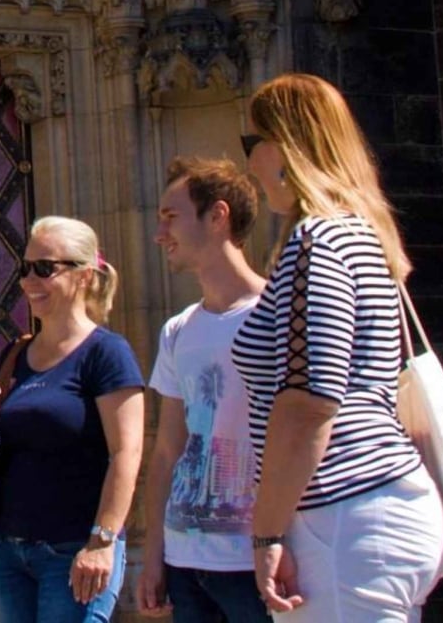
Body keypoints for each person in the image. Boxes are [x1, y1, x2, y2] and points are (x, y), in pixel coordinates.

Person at [233, 73, 443, 621]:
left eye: (252, 145)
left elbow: (309, 403)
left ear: (287, 147)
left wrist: (267, 532)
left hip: (341, 511)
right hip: (366, 508)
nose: (250, 166)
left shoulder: (317, 240)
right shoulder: (357, 233)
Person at [0, 216, 144, 623]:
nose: (29, 280)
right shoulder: (15, 354)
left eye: (44, 268)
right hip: (11, 552)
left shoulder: (106, 353)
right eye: (25, 268)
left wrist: (101, 542)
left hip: (73, 549)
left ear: (82, 276)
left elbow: (126, 454)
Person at [136, 158, 269, 623]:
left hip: (255, 563)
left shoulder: (275, 317)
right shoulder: (177, 330)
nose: (159, 234)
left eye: (170, 217)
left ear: (217, 216)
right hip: (185, 564)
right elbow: (168, 448)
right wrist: (154, 553)